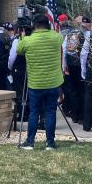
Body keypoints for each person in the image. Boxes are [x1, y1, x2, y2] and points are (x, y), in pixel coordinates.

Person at [17, 14, 63, 150]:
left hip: (36, 83)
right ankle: (50, 143)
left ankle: (30, 142)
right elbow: (59, 38)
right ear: (48, 24)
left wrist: (23, 36)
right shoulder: (56, 37)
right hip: (53, 83)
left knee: (34, 112)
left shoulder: (28, 40)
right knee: (50, 112)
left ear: (33, 25)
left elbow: (19, 50)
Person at [62, 17, 86, 123]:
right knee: (81, 92)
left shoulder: (69, 34)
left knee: (73, 91)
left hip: (70, 65)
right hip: (80, 65)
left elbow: (64, 50)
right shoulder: (84, 34)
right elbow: (85, 53)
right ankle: (80, 116)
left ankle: (74, 115)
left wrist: (64, 65)